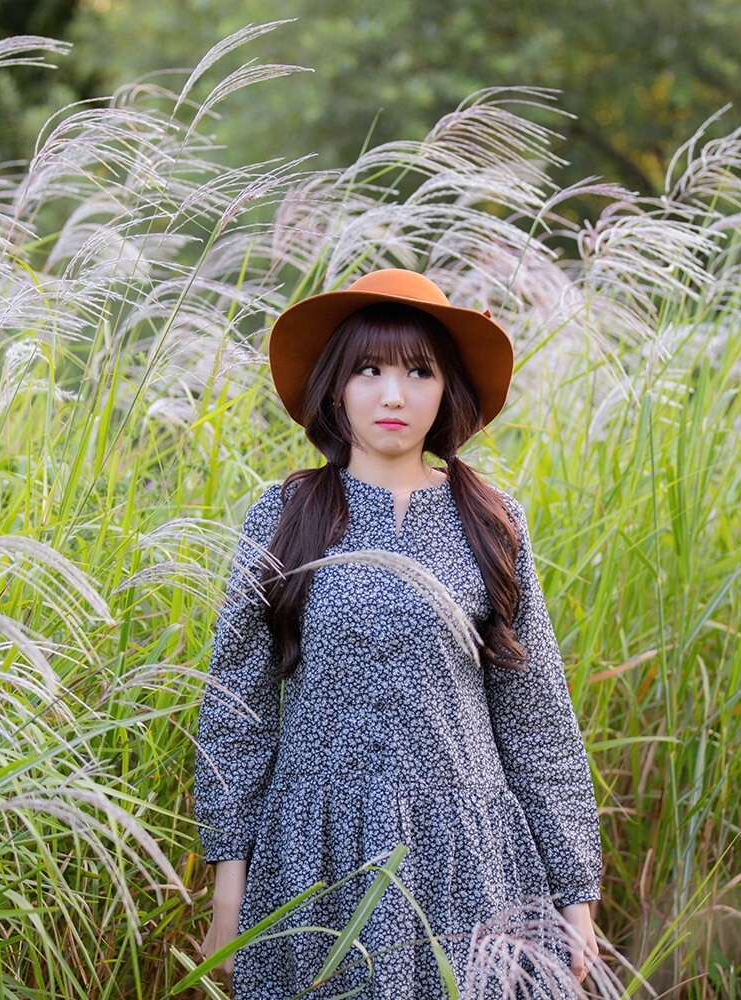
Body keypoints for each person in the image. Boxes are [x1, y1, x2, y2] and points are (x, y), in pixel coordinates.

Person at [193, 268, 605, 997]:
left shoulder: (491, 521)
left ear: (446, 390)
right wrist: (231, 889)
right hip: (316, 856)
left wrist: (576, 896)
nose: (393, 395)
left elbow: (536, 718)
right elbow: (237, 709)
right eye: (369, 370)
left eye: (419, 372)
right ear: (335, 386)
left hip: (469, 858)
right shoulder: (283, 516)